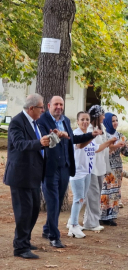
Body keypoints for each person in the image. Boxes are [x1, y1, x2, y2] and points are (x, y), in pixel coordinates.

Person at [37, 96, 98, 248]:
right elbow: (45, 141)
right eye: (56, 104)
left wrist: (91, 135)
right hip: (49, 169)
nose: (59, 107)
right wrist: (59, 135)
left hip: (64, 167)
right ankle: (54, 236)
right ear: (49, 105)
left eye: (61, 104)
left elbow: (72, 139)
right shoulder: (42, 121)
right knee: (53, 201)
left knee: (57, 202)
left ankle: (47, 229)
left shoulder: (64, 120)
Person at [4, 94, 50, 259]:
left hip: (34, 174)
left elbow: (41, 139)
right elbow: (19, 144)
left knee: (33, 210)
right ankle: (20, 248)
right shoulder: (17, 122)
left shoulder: (36, 123)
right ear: (31, 108)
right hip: (20, 175)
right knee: (24, 212)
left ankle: (24, 239)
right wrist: (40, 143)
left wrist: (53, 137)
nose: (43, 110)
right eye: (41, 107)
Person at [67, 111, 115, 238]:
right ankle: (73, 226)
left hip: (88, 171)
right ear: (77, 121)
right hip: (77, 172)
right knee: (79, 199)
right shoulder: (76, 134)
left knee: (82, 199)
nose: (85, 122)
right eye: (82, 119)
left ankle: (72, 222)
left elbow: (96, 148)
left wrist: (110, 142)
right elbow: (80, 145)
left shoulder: (88, 135)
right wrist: (91, 137)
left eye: (87, 119)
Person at [100, 113, 128, 226]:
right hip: (105, 166)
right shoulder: (102, 136)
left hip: (117, 168)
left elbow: (126, 153)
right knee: (105, 191)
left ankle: (111, 216)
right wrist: (113, 146)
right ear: (107, 122)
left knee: (115, 192)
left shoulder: (121, 136)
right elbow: (101, 151)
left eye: (116, 120)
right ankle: (102, 215)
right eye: (112, 121)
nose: (115, 123)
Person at [83, 105, 110, 231]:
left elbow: (104, 149)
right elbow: (96, 148)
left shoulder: (102, 128)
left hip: (100, 165)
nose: (104, 117)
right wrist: (109, 143)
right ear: (97, 116)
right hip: (91, 166)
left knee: (96, 193)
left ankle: (89, 219)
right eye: (102, 115)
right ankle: (91, 223)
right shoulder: (89, 129)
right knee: (92, 194)